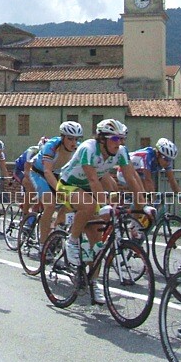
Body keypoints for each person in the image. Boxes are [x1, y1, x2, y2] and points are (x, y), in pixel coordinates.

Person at [56, 119, 147, 304]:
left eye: (122, 138)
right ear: (102, 139)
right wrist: (105, 204)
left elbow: (131, 176)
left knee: (97, 239)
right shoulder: (88, 148)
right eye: (114, 138)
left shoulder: (120, 152)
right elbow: (92, 180)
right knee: (90, 206)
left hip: (89, 190)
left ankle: (93, 282)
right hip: (68, 185)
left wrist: (143, 204)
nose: (119, 142)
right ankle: (72, 240)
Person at [29, 121, 83, 245]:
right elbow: (47, 172)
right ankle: (42, 244)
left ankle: (56, 227)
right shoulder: (52, 145)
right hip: (39, 173)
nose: (73, 143)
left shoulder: (78, 148)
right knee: (50, 205)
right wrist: (60, 191)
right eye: (70, 139)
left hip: (58, 175)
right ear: (63, 137)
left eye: (76, 139)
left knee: (72, 203)